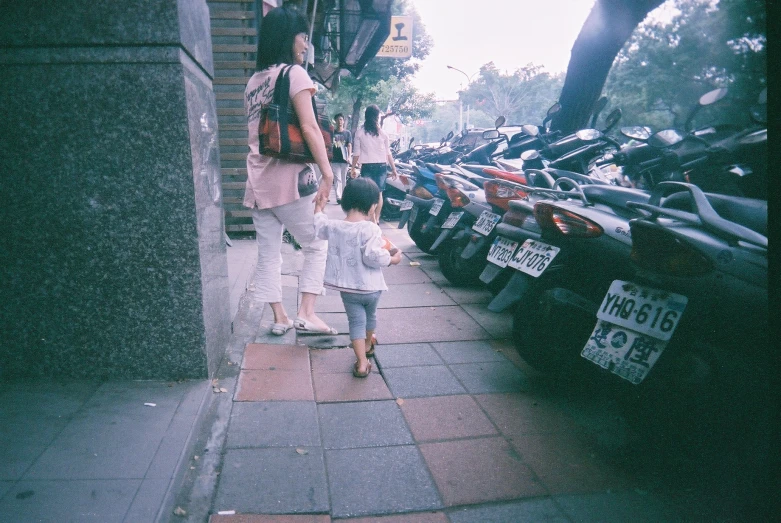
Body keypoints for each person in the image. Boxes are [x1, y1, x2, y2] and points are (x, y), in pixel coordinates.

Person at [243, 5, 336, 336]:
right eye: (303, 36)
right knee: (316, 243)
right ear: (289, 38)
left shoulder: (253, 82)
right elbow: (310, 128)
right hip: (289, 181)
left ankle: (280, 318)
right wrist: (327, 173)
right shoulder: (294, 74)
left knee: (268, 255)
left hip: (257, 182)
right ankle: (307, 313)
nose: (306, 44)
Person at [313, 178, 402, 377]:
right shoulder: (370, 228)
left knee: (355, 322)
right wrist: (392, 259)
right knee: (370, 317)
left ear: (345, 202)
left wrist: (319, 207)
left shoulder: (334, 226)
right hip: (371, 288)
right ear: (372, 207)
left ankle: (362, 363)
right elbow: (373, 256)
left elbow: (319, 226)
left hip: (348, 289)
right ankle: (369, 344)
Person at [351, 104, 399, 223]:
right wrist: (394, 169)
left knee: (369, 194)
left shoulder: (360, 133)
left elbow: (356, 153)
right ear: (377, 117)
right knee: (379, 194)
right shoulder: (383, 134)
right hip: (382, 166)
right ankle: (376, 219)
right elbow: (388, 153)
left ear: (366, 116)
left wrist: (352, 168)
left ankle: (372, 219)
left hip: (367, 166)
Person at [330, 113, 352, 204]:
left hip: (344, 160)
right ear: (335, 121)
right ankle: (339, 197)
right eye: (338, 119)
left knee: (343, 179)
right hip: (335, 159)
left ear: (343, 121)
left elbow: (349, 145)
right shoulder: (332, 133)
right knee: (337, 178)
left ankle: (344, 197)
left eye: (341, 119)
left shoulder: (347, 133)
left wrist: (349, 156)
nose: (340, 121)